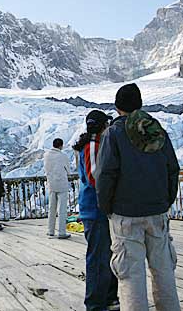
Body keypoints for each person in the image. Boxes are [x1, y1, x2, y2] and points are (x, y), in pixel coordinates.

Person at [96, 83, 181, 311]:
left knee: (130, 276)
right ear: (140, 104)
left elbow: (105, 174)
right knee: (164, 272)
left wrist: (107, 208)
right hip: (157, 212)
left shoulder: (113, 133)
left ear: (117, 107)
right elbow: (173, 168)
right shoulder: (157, 130)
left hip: (125, 215)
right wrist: (165, 201)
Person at [73, 110, 120, 311]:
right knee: (98, 259)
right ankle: (95, 304)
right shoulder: (92, 145)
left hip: (101, 210)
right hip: (95, 210)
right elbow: (95, 178)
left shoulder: (98, 144)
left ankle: (109, 298)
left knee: (106, 257)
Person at [44, 138, 71, 239]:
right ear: (61, 145)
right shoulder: (63, 156)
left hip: (51, 184)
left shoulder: (46, 155)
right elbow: (68, 170)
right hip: (62, 185)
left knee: (52, 208)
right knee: (62, 209)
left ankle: (50, 230)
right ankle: (61, 232)